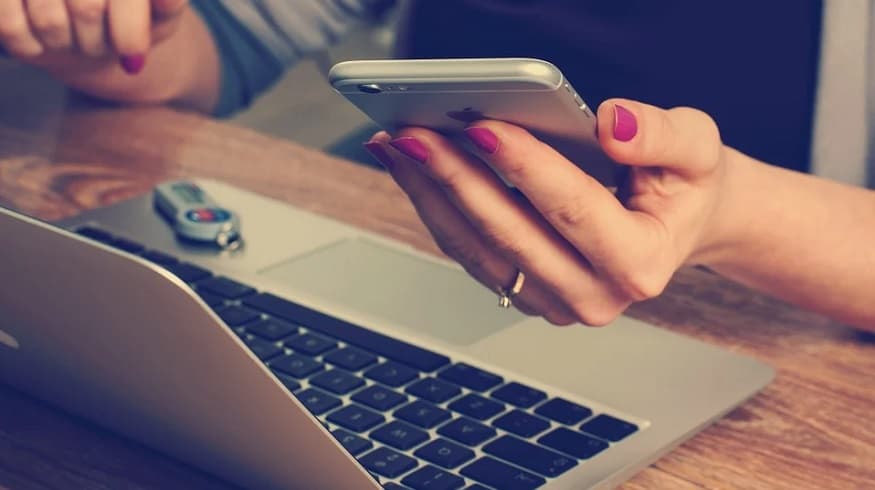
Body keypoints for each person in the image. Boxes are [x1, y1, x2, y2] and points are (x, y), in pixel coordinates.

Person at [1, 1, 872, 331]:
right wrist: (105, 28)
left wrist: (728, 212)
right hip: (415, 273)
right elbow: (218, 44)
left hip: (781, 342)